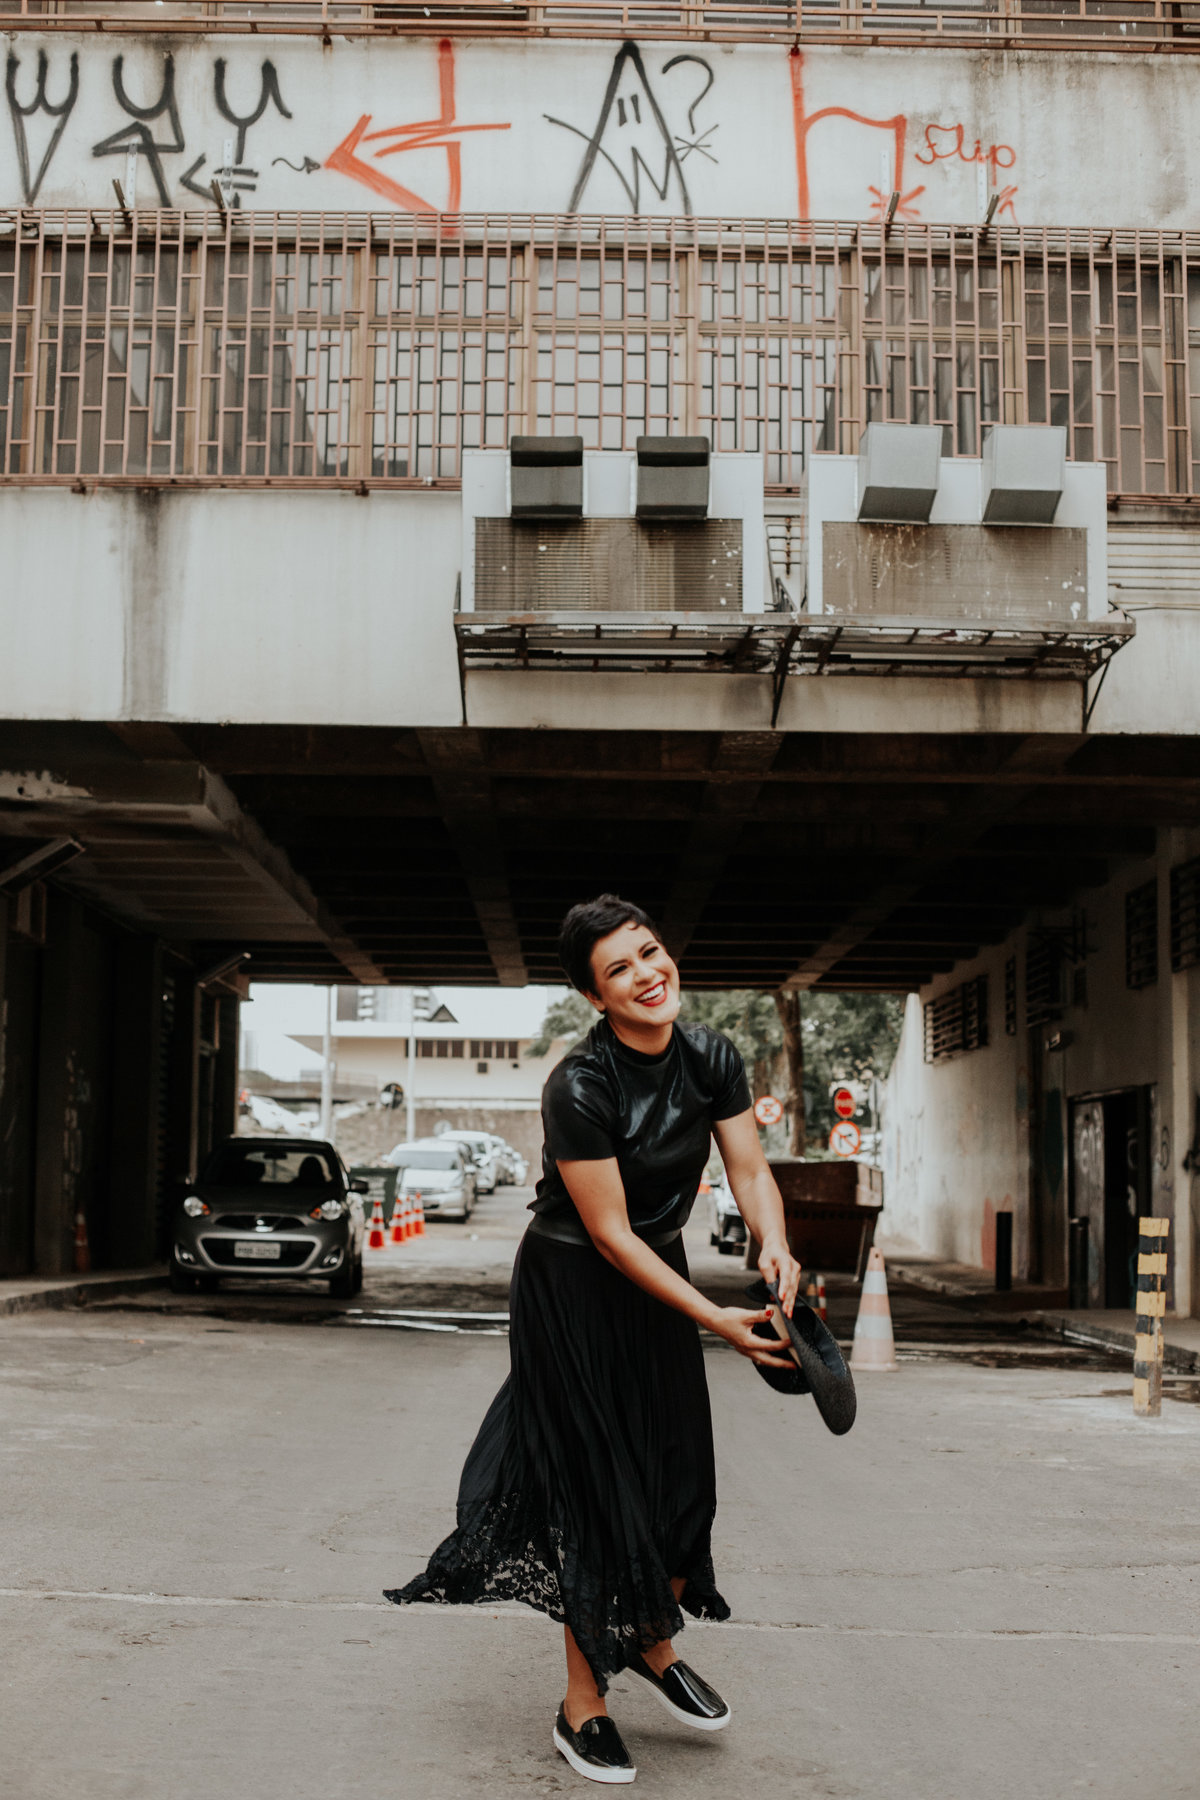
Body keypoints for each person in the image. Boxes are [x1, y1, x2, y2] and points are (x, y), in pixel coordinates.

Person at [386, 894, 801, 1785]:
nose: (647, 974)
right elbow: (611, 1235)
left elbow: (749, 1167)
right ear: (595, 996)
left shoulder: (711, 1056)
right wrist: (716, 1317)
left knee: (682, 1484)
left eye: (649, 952)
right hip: (574, 1283)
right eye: (620, 969)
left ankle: (649, 1640)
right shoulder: (580, 1084)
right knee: (599, 1494)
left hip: (659, 1273)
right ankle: (583, 1706)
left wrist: (774, 1240)